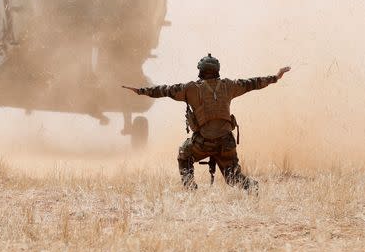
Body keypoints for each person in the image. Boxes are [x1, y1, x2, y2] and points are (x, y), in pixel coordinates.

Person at [123, 53, 290, 190]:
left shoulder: (190, 89)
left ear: (200, 72)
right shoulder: (229, 86)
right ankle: (252, 187)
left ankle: (189, 186)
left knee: (184, 154)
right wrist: (275, 77)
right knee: (233, 178)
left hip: (203, 142)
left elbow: (164, 90)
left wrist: (140, 91)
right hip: (226, 142)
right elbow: (253, 83)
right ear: (217, 71)